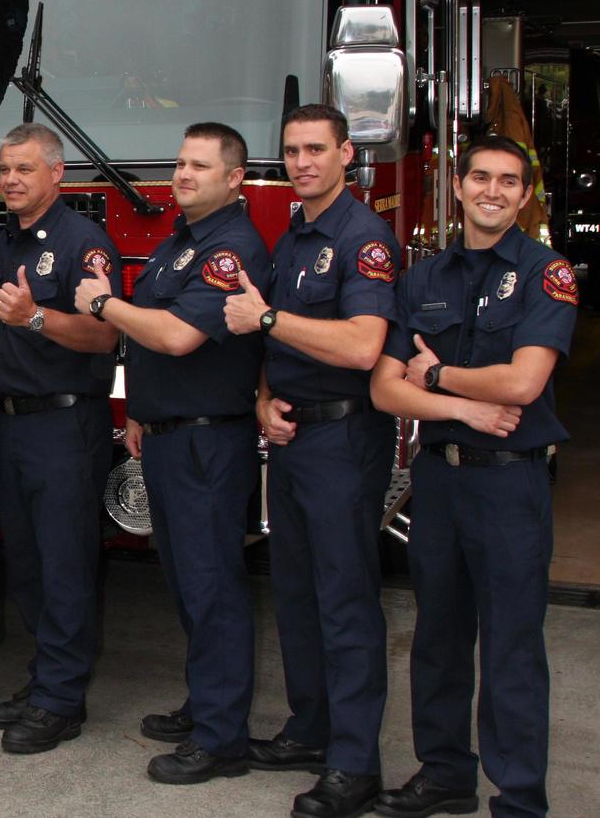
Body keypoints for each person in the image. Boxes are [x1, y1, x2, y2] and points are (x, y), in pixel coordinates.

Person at [370, 135, 575, 818]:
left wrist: (436, 374)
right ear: (457, 188)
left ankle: (518, 800)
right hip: (439, 480)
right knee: (438, 637)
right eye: (480, 177)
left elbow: (523, 381)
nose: (493, 191)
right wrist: (459, 405)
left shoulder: (548, 274)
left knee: (512, 645)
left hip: (510, 487)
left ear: (524, 195)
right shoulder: (424, 278)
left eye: (509, 182)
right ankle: (446, 776)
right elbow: (383, 391)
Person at [73, 123, 269, 783]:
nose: (183, 174)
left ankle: (221, 741)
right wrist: (141, 416)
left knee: (212, 586)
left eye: (200, 166)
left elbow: (180, 336)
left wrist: (104, 303)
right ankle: (206, 705)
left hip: (208, 441)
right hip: (169, 436)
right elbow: (154, 343)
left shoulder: (229, 249)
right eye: (181, 163)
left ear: (235, 178)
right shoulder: (183, 242)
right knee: (189, 583)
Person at [224, 104, 398, 818]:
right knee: (295, 593)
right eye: (292, 151)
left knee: (345, 600)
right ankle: (311, 728)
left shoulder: (365, 238)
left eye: (316, 150)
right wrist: (264, 399)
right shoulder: (292, 235)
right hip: (294, 439)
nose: (302, 163)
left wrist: (267, 318)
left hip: (345, 440)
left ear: (346, 155)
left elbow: (362, 346)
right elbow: (277, 351)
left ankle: (356, 765)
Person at [0, 122, 121, 754]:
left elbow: (105, 336)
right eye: (5, 169)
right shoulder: (3, 240)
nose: (10, 179)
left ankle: (62, 700)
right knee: (30, 564)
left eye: (24, 169)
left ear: (56, 175)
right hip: (13, 423)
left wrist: (36, 317)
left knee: (65, 563)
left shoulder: (82, 242)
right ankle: (46, 678)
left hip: (65, 425)